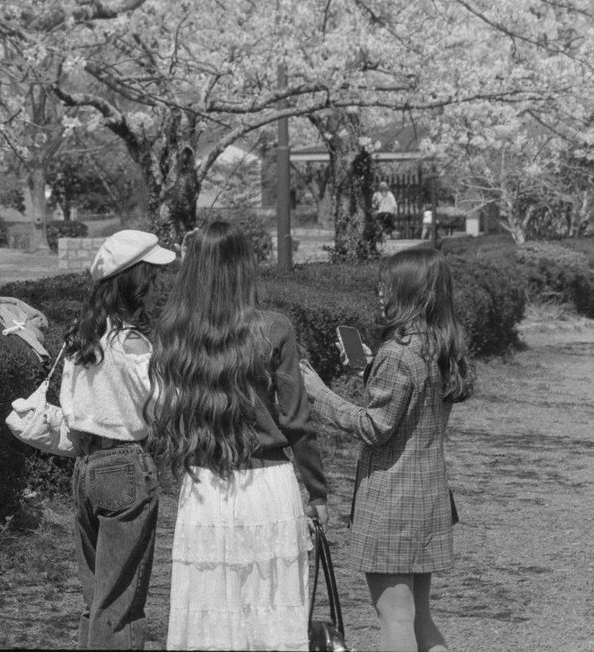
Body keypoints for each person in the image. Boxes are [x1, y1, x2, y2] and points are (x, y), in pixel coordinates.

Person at [148, 221, 328, 651]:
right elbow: (297, 421)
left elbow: (162, 415)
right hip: (267, 484)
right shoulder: (273, 327)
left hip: (203, 487)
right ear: (245, 266)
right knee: (270, 614)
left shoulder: (175, 331)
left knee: (209, 615)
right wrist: (318, 491)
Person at [300, 247, 474, 652]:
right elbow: (410, 403)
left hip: (393, 502)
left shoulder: (396, 355)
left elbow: (374, 427)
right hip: (429, 498)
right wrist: (367, 369)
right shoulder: (438, 346)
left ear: (411, 291)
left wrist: (319, 394)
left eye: (388, 284)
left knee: (394, 617)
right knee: (419, 618)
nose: (380, 292)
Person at [60, 228, 176, 648]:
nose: (159, 287)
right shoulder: (132, 343)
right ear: (136, 282)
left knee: (96, 599)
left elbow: (69, 402)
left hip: (85, 468)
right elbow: (164, 407)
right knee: (121, 605)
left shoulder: (83, 336)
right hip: (126, 466)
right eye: (154, 277)